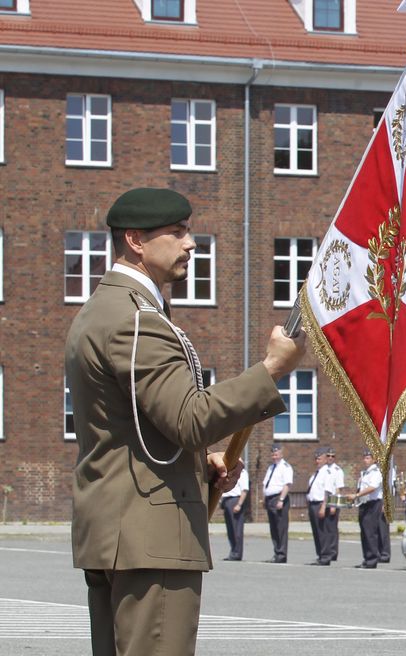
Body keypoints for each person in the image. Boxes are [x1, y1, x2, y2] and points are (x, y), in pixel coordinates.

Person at [65, 187, 304, 656]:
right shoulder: (137, 321)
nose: (190, 243)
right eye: (177, 233)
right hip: (148, 536)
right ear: (136, 240)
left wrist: (200, 463)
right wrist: (271, 370)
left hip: (120, 530)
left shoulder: (103, 311)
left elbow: (135, 429)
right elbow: (190, 419)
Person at [353, 450, 385, 568]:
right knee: (364, 532)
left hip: (373, 504)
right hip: (364, 503)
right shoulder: (365, 473)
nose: (365, 460)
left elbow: (372, 487)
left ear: (374, 459)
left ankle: (372, 559)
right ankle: (367, 558)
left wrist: (357, 495)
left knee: (370, 532)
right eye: (364, 457)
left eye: (368, 458)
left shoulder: (376, 472)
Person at [261, 444, 293, 564]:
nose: (274, 456)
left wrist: (281, 499)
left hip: (279, 498)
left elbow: (287, 484)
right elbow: (266, 485)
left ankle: (282, 554)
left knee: (281, 528)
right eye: (273, 454)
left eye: (276, 454)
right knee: (274, 528)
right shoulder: (271, 467)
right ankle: (277, 552)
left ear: (281, 454)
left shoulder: (285, 467)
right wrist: (264, 499)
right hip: (270, 499)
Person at [305, 450, 332, 565]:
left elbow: (327, 492)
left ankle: (325, 556)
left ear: (326, 459)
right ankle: (320, 555)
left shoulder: (327, 473)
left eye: (319, 459)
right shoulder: (317, 472)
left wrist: (323, 507)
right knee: (316, 531)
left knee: (322, 531)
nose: (317, 461)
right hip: (313, 504)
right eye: (316, 459)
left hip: (320, 504)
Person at [219, 468, 250, 561]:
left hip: (235, 500)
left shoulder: (242, 472)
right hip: (227, 501)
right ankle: (233, 551)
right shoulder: (228, 471)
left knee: (237, 529)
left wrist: (239, 504)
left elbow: (244, 490)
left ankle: (237, 553)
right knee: (230, 530)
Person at [320, 447, 342, 563]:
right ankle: (327, 550)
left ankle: (333, 552)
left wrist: (334, 505)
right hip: (324, 500)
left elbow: (338, 489)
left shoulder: (337, 470)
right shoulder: (323, 469)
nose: (330, 458)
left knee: (332, 528)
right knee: (325, 528)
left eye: (332, 456)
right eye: (328, 456)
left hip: (333, 501)